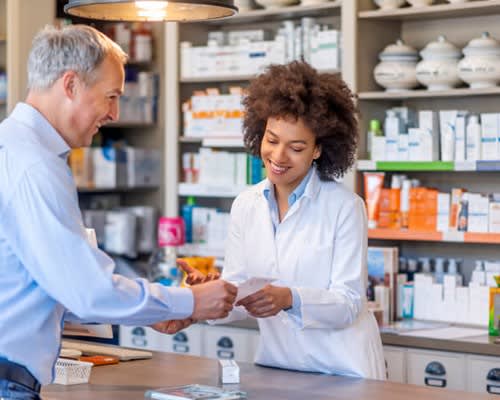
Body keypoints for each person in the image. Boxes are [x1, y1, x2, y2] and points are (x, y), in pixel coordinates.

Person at [0, 24, 237, 399]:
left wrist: (151, 310)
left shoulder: (12, 147)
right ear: (71, 84)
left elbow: (43, 288)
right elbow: (87, 290)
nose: (113, 113)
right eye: (110, 96)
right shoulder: (35, 165)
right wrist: (192, 300)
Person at [213, 61, 386, 379]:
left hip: (342, 370)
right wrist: (213, 292)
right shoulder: (245, 205)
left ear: (318, 149)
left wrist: (289, 298)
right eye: (271, 139)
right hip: (279, 366)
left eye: (296, 147)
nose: (278, 157)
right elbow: (239, 294)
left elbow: (349, 303)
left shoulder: (345, 207)